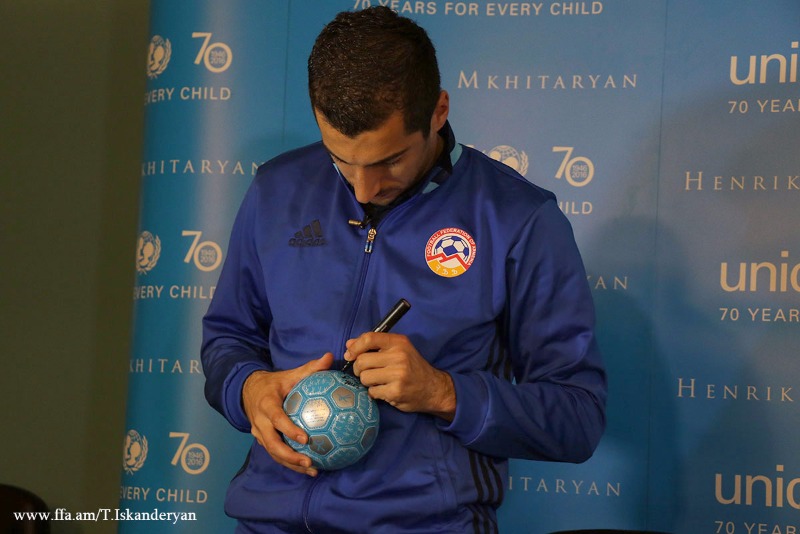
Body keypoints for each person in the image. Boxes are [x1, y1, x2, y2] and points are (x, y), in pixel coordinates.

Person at [201, 6, 606, 533]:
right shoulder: (276, 189)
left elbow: (578, 417)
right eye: (340, 160)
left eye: (388, 161)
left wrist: (444, 393)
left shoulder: (518, 218)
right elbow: (228, 338)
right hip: (265, 522)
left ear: (438, 112)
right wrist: (249, 388)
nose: (363, 189)